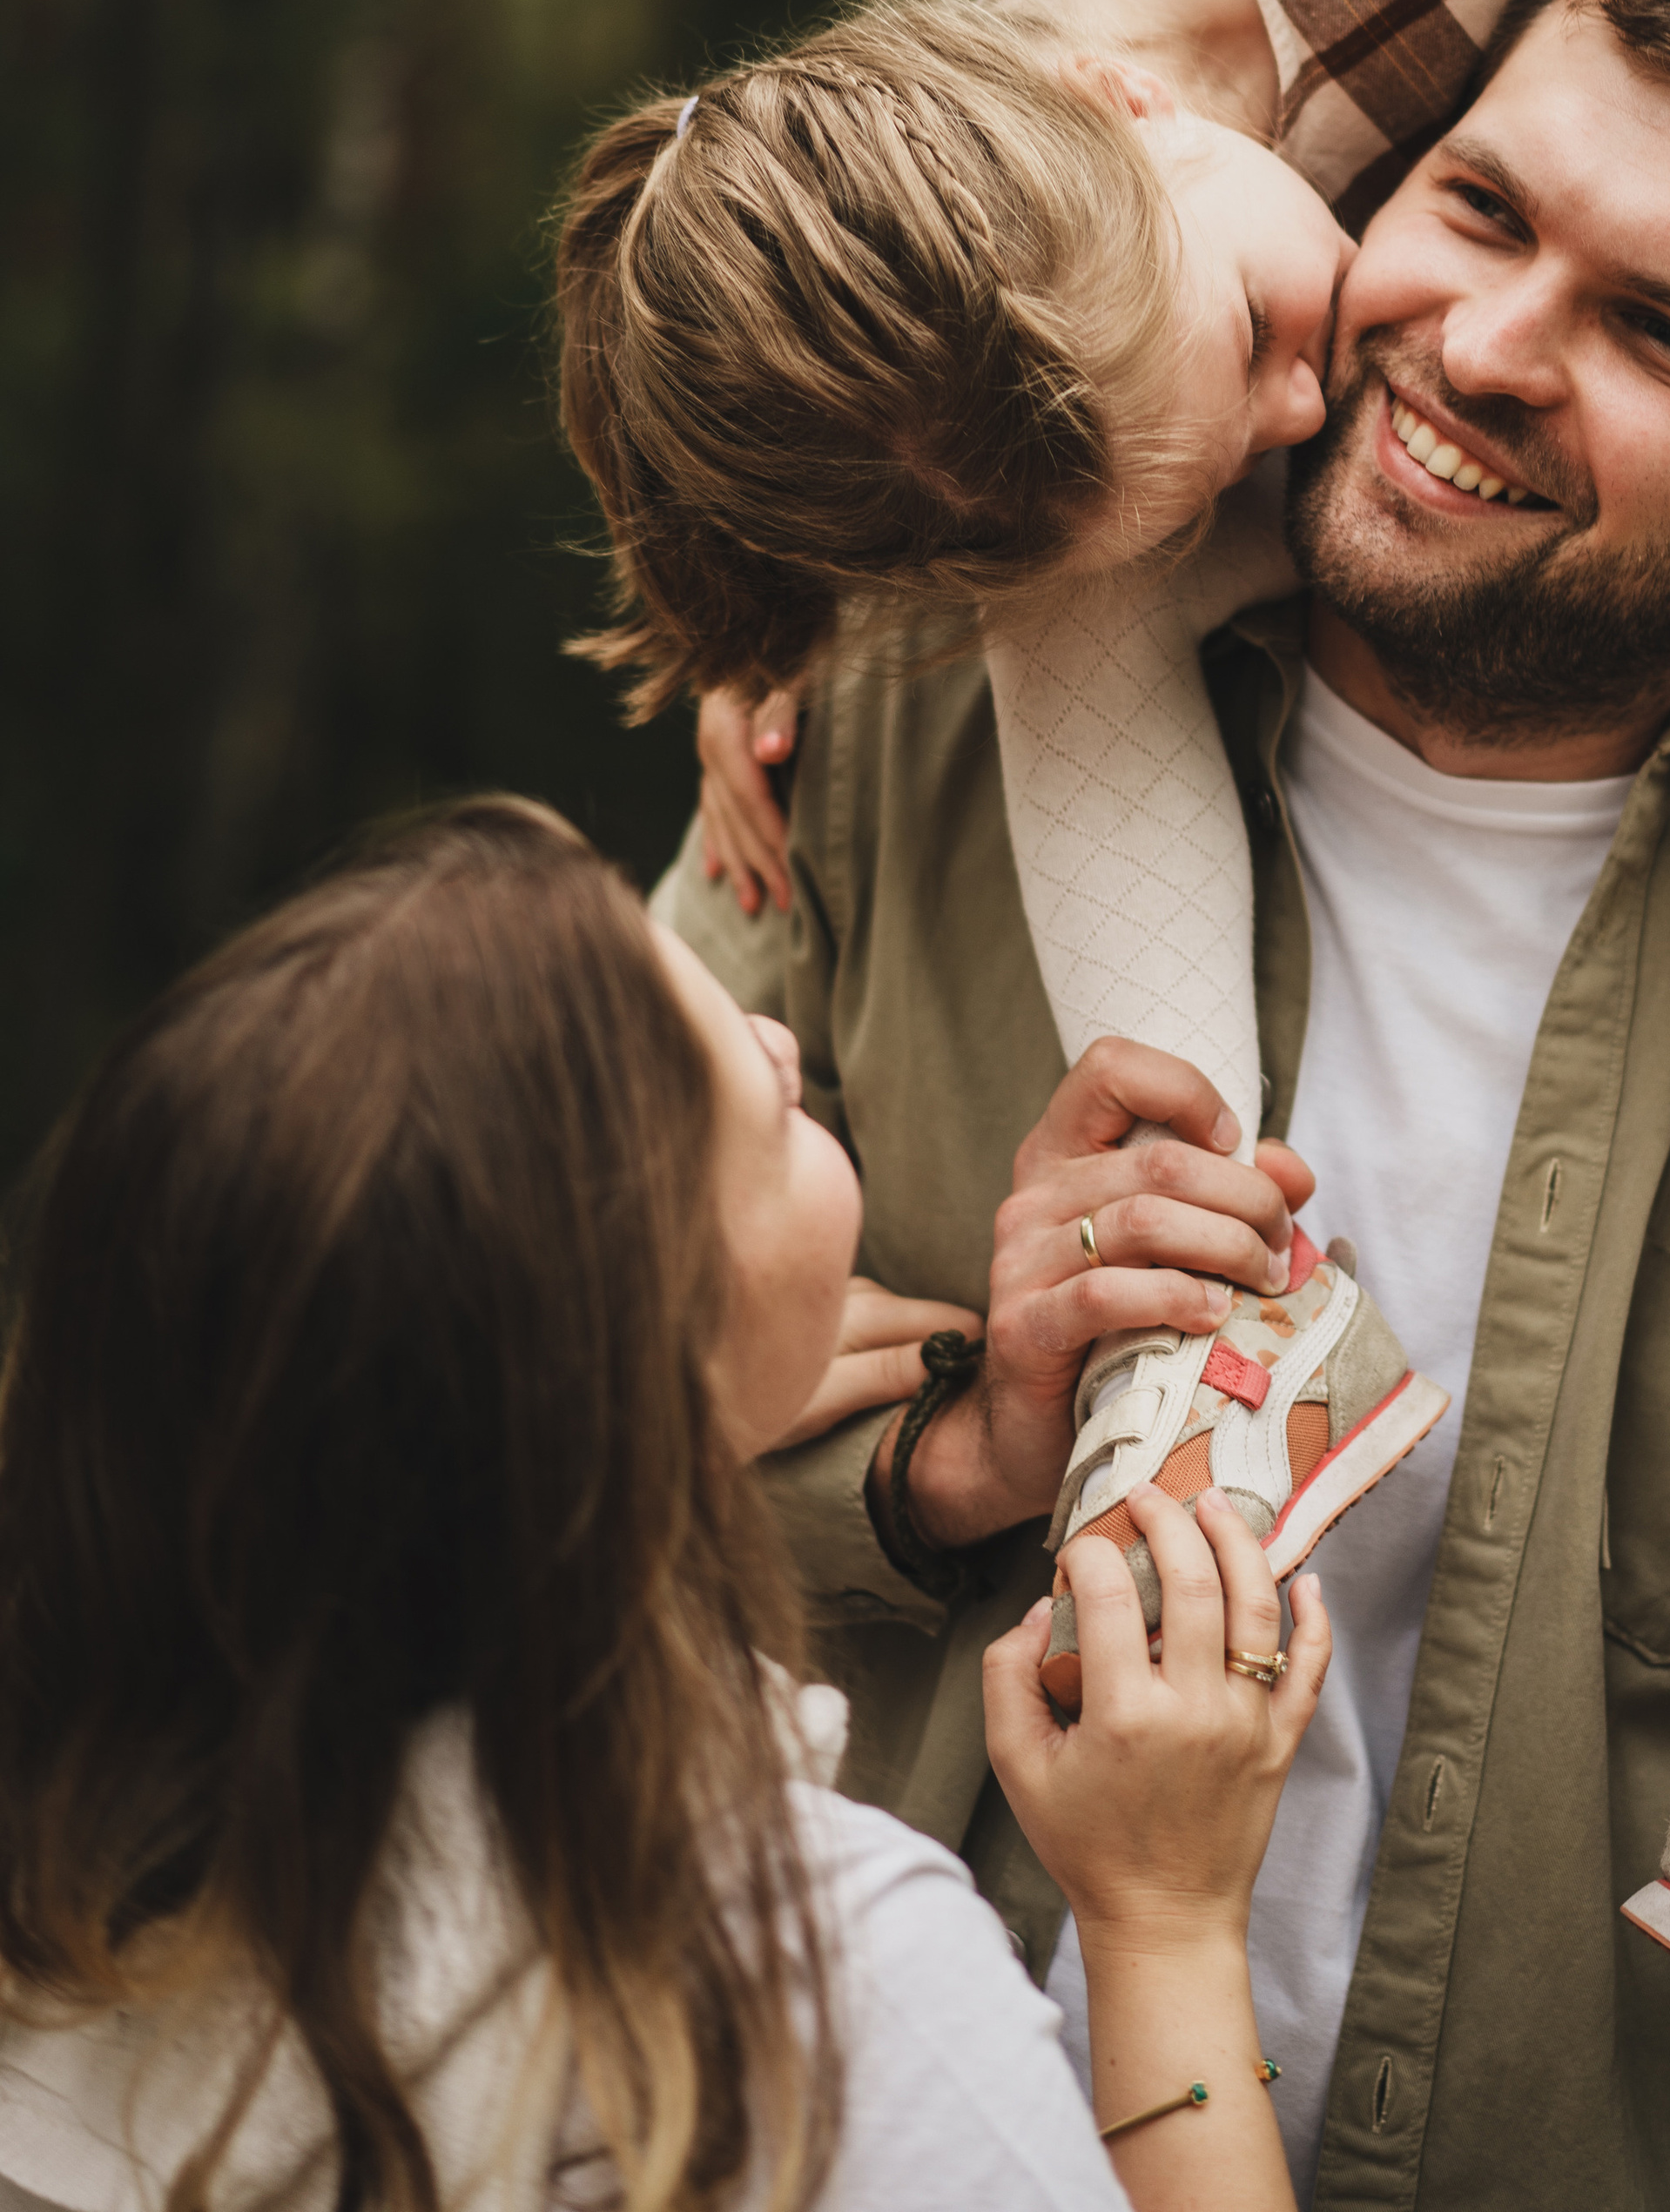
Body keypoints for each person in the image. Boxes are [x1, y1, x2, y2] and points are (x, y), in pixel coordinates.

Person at [554, 0, 1670, 2073]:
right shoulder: (886, 757)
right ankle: (1198, 1374)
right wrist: (945, 1460)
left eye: (1667, 335)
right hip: (889, 2111)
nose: (1441, 369)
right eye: (1476, 210)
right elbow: (551, 1378)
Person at [0, 800, 1332, 2212]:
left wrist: (964, 1459)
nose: (780, 1035)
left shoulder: (76, 1899)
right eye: (758, 1099)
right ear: (647, 1362)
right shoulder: (834, 1999)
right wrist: (1164, 1930)